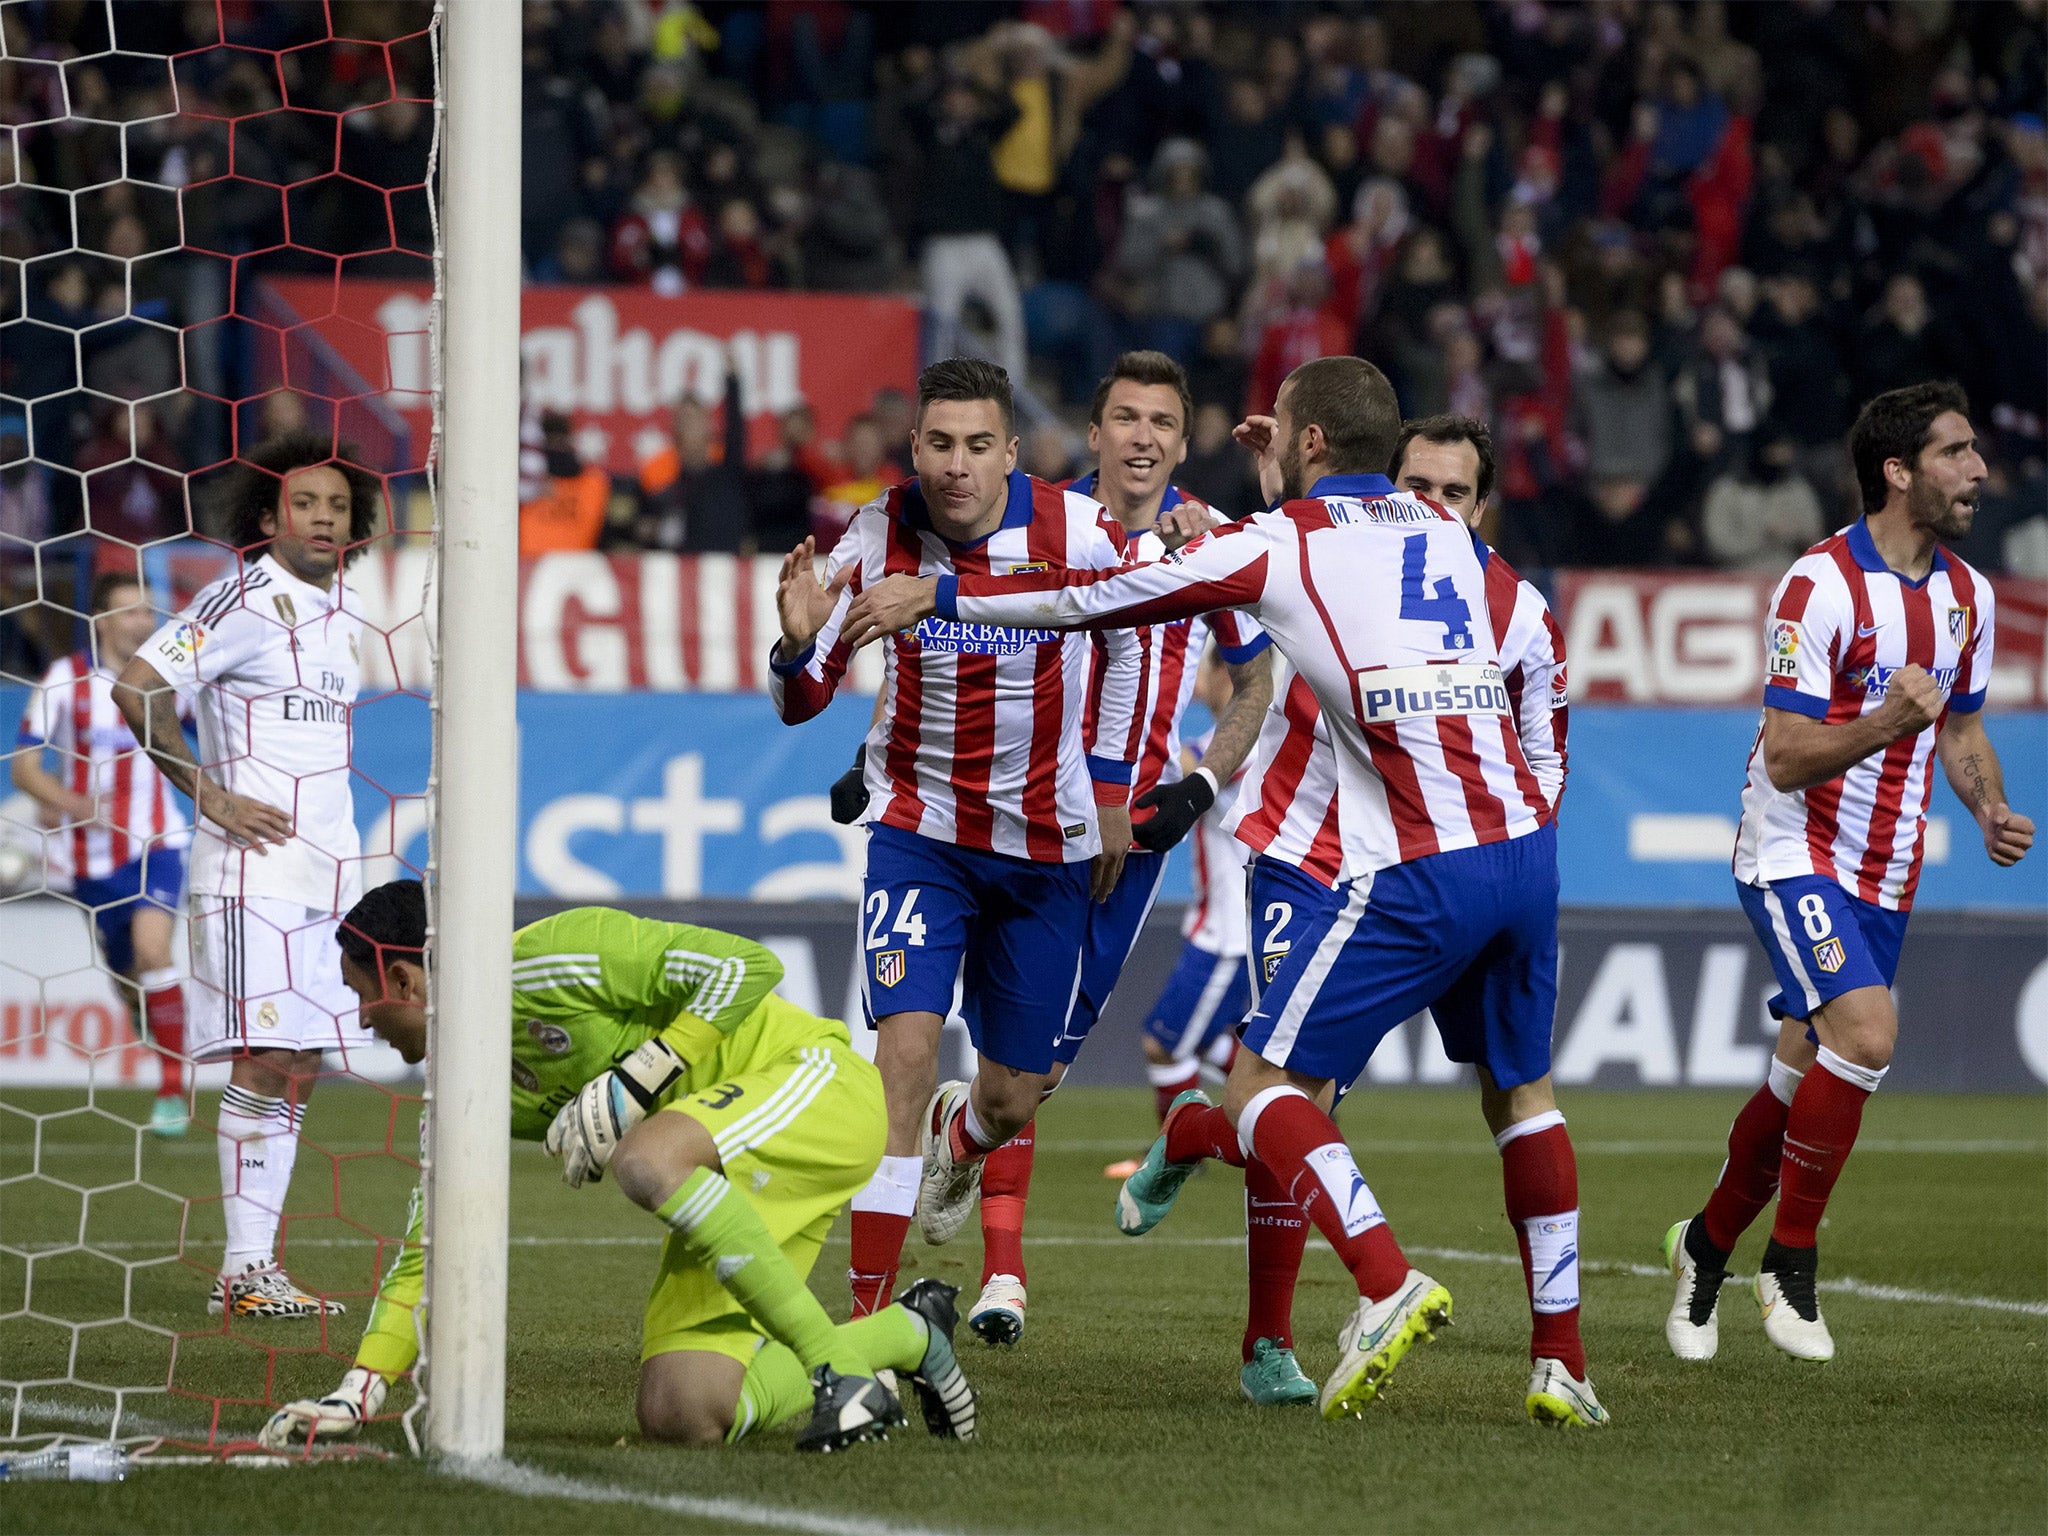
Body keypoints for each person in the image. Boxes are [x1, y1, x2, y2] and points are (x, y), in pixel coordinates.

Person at [837, 359, 1606, 1429]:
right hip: (1524, 849)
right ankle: (1558, 1360)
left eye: (1280, 429)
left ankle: (1378, 1283)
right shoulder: (1453, 543)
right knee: (1523, 1100)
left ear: (1308, 445)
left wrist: (947, 591)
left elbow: (1103, 596)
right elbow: (1515, 671)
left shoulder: (1280, 541)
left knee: (1262, 1093)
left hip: (1392, 855)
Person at [1149, 413, 1579, 1414]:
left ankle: (1431, 1309)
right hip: (1311, 860)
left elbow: (1544, 759)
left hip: (1419, 868)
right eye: (1414, 485)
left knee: (1289, 1090)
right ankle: (1278, 1338)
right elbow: (1281, 543)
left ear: (1486, 507)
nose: (1430, 505)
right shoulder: (1359, 563)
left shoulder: (1513, 612)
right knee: (1337, 1097)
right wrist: (1265, 478)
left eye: (1453, 493)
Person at [259, 881, 977, 1455]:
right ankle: (909, 1334)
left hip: (814, 1086)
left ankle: (841, 1376)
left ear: (408, 979)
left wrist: (641, 1073)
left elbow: (750, 966)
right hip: (721, 1169)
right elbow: (426, 1253)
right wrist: (358, 1390)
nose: (360, 1021)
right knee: (684, 1412)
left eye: (361, 995)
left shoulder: (554, 955)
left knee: (646, 1157)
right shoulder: (459, 1094)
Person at [767, 358, 1143, 1323]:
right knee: (902, 1061)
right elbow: (802, 704)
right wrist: (795, 646)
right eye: (939, 444)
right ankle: (867, 1325)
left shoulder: (1076, 530)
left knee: (1015, 1098)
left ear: (1011, 452)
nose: (956, 466)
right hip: (919, 835)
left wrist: (1109, 792)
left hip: (1044, 847)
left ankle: (965, 1134)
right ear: (914, 448)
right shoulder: (876, 533)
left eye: (979, 445)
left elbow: (1132, 637)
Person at [1664, 381, 2032, 1364]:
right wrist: (1882, 722)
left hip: (1887, 865)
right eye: (1955, 453)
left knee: (1799, 1075)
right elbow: (1783, 756)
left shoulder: (1967, 595)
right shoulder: (1818, 586)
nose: (1977, 472)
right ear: (1896, 470)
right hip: (1789, 849)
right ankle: (1788, 1268)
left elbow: (1958, 727)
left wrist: (1985, 805)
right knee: (1866, 1034)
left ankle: (1702, 1248)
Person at [963, 351, 1274, 1348]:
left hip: (1133, 833)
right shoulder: (1030, 527)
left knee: (1040, 1076)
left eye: (1161, 424)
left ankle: (956, 1142)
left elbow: (1256, 681)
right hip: (1022, 820)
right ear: (1090, 435)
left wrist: (1196, 788)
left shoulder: (1205, 546)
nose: (1141, 436)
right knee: (1010, 1055)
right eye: (1124, 417)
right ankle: (1002, 1276)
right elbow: (949, 636)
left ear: (1180, 447)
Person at [114, 432, 381, 1320]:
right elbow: (138, 686)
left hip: (323, 877)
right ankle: (243, 1268)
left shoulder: (345, 620)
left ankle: (257, 1268)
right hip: (251, 873)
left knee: (301, 1062)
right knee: (266, 1055)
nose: (322, 519)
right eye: (305, 504)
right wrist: (207, 794)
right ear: (267, 518)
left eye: (337, 507)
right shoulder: (240, 597)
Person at [13, 570, 193, 1135]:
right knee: (130, 976)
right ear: (102, 620)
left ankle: (173, 1090)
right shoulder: (65, 680)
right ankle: (150, 1020)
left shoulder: (170, 681)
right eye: (130, 611)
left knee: (154, 949)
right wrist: (69, 801)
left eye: (148, 610)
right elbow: (23, 768)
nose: (142, 620)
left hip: (160, 842)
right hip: (91, 861)